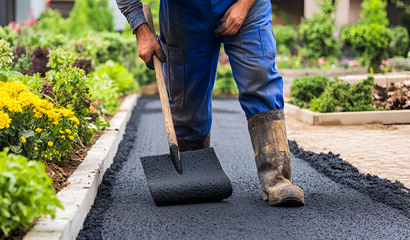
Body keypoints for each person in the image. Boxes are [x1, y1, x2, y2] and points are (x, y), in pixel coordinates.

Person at [116, 0, 305, 206]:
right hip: (184, 12)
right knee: (185, 100)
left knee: (259, 76)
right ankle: (194, 175)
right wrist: (140, 28)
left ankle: (277, 179)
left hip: (246, 5)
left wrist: (243, 5)